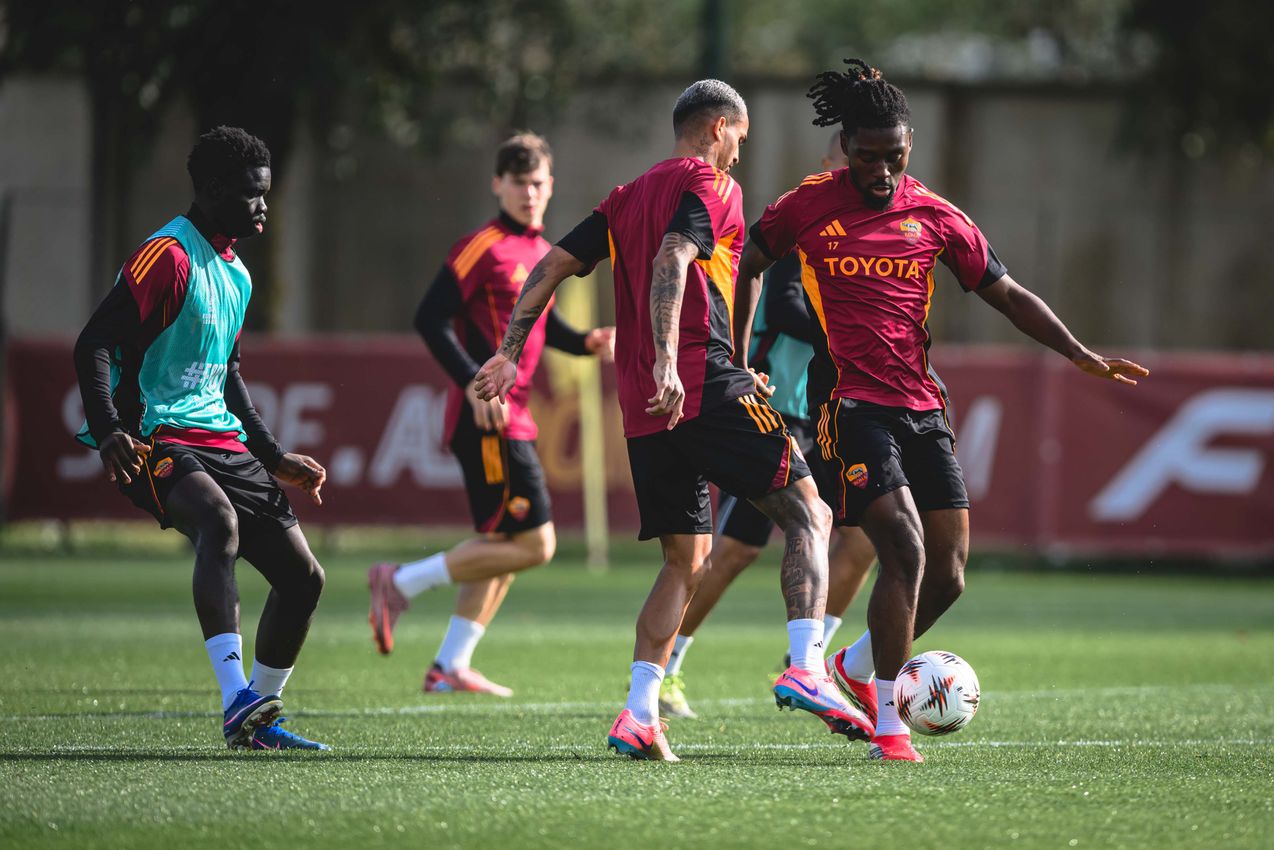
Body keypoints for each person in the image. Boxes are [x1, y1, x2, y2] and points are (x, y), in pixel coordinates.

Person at [734, 59, 1149, 761]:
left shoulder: (935, 215)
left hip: (924, 409)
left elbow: (1008, 292)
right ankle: (891, 731)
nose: (883, 171)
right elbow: (750, 259)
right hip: (851, 410)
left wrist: (1077, 350)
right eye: (869, 158)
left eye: (895, 156)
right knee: (904, 549)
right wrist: (740, 356)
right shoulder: (806, 205)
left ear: (908, 146)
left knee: (948, 574)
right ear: (847, 147)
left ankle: (856, 666)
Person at [474, 80, 870, 761]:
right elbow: (673, 259)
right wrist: (669, 361)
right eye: (739, 140)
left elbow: (554, 265)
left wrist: (510, 354)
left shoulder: (625, 196)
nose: (739, 155)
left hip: (645, 408)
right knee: (812, 513)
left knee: (686, 560)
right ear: (717, 128)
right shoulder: (712, 186)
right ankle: (807, 666)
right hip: (696, 386)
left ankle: (638, 712)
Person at [73, 126, 330, 750]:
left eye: (265, 194)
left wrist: (271, 455)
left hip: (219, 439)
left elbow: (228, 371)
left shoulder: (236, 272)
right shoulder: (167, 256)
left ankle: (259, 716)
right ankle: (234, 696)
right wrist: (109, 429)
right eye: (250, 195)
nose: (263, 205)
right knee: (219, 522)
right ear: (212, 191)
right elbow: (95, 343)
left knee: (305, 579)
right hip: (154, 434)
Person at [366, 133, 614, 697]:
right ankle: (398, 582)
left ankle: (450, 664)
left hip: (515, 417)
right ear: (498, 184)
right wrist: (475, 386)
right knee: (535, 544)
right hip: (487, 419)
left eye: (539, 183)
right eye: (520, 182)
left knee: (503, 544)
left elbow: (538, 328)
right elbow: (430, 319)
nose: (531, 193)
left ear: (551, 187)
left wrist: (586, 343)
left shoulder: (540, 251)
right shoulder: (482, 246)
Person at [658, 133, 877, 720]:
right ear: (832, 164)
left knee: (865, 535)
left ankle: (813, 658)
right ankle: (668, 664)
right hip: (779, 409)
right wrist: (853, 328)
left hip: (831, 411)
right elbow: (782, 307)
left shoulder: (871, 236)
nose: (865, 173)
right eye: (853, 160)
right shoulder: (804, 220)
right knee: (731, 552)